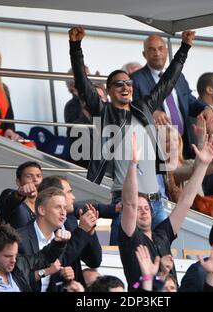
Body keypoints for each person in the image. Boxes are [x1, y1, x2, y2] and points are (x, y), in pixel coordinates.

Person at [69, 26, 197, 245]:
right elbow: (82, 84)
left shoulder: (144, 107)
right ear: (109, 91)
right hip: (126, 202)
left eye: (128, 83)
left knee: (161, 261)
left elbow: (167, 82)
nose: (125, 87)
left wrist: (184, 47)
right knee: (124, 257)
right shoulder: (104, 112)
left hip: (156, 203)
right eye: (118, 84)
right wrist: (75, 47)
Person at [119, 129, 213, 290]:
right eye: (139, 209)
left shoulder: (162, 234)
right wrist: (133, 165)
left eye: (146, 208)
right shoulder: (131, 239)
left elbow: (185, 202)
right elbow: (129, 203)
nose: (143, 211)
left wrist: (203, 166)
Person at [131, 34, 208, 160]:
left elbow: (189, 100)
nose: (157, 53)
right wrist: (151, 112)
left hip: (185, 144)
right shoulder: (136, 79)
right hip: (159, 147)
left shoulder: (179, 77)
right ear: (144, 54)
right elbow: (133, 107)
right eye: (151, 49)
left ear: (167, 50)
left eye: (161, 48)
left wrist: (205, 108)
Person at [17, 187, 101, 291]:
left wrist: (67, 279)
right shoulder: (19, 238)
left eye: (65, 208)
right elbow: (12, 280)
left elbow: (95, 261)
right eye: (58, 207)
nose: (63, 212)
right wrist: (45, 272)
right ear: (42, 210)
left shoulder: (63, 237)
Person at [0, 224, 70, 292]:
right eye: (8, 256)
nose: (13, 260)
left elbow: (44, 257)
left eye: (15, 255)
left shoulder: (20, 264)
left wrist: (58, 243)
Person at [0, 161, 43, 228]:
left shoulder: (45, 203)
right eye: (29, 176)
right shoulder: (9, 194)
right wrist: (20, 194)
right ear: (18, 182)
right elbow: (9, 202)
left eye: (38, 176)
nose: (35, 179)